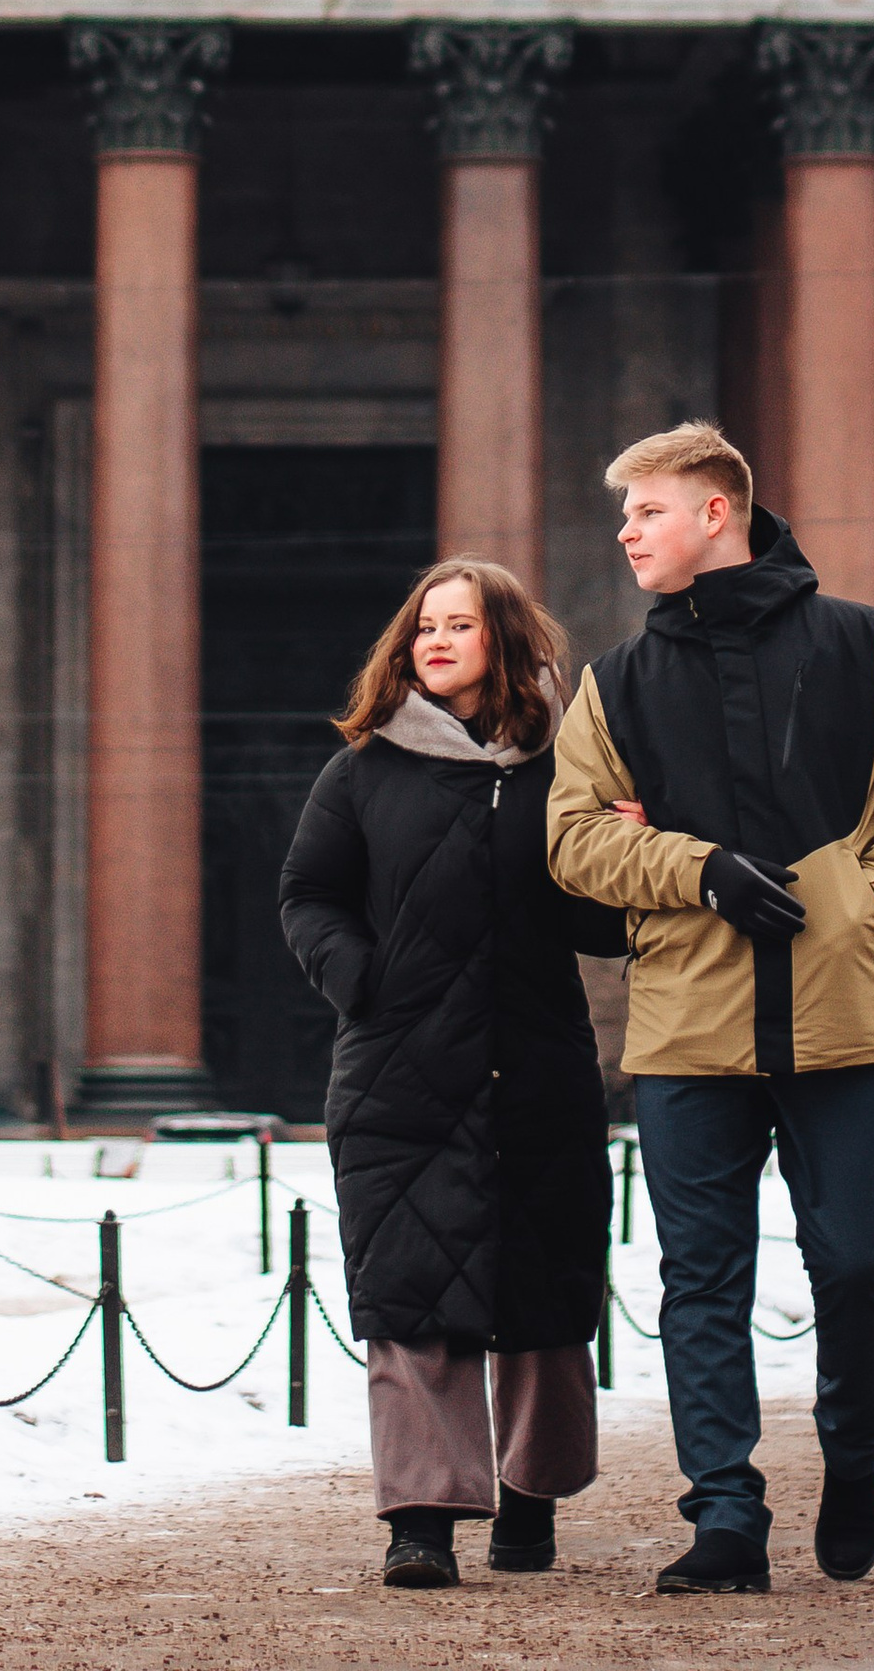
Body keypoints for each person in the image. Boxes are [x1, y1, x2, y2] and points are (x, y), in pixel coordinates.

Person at [546, 422, 874, 1597]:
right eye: (624, 515)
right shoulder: (614, 682)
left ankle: (854, 1454)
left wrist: (863, 895)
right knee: (700, 1279)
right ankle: (725, 1514)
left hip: (843, 1015)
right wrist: (694, 870)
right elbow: (573, 837)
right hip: (686, 1028)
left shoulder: (863, 643)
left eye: (644, 511)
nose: (626, 533)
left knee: (855, 1265)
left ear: (714, 513)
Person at [281, 561, 625, 1591]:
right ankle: (419, 1522)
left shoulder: (568, 770)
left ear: (504, 642)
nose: (434, 640)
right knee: (410, 1300)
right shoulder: (362, 769)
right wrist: (360, 979)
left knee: (543, 1300)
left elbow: (598, 922)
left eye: (459, 625)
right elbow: (308, 894)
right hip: (398, 1073)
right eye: (424, 625)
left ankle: (530, 1498)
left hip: (537, 1070)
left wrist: (631, 845)